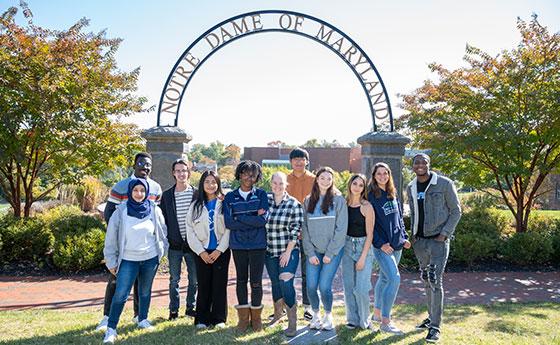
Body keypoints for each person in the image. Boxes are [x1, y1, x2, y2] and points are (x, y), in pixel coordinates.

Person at [96, 152, 162, 331]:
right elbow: (110, 213)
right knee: (116, 282)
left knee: (143, 284)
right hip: (123, 246)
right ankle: (107, 317)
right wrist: (118, 238)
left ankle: (139, 316)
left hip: (146, 248)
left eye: (148, 164)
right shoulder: (120, 186)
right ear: (134, 165)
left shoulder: (155, 188)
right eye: (141, 163)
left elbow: (157, 219)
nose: (145, 167)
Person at [102, 178, 168, 344]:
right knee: (121, 294)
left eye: (142, 191)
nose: (139, 194)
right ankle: (111, 329)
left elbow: (162, 232)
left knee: (145, 292)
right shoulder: (120, 212)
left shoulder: (154, 210)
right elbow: (110, 239)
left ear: (146, 193)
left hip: (150, 259)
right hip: (128, 260)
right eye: (135, 190)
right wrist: (111, 262)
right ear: (130, 192)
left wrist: (160, 254)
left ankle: (143, 319)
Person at [406, 154, 461, 343]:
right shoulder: (411, 186)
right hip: (420, 242)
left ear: (429, 165)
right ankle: (431, 317)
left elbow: (456, 211)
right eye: (417, 162)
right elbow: (414, 213)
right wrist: (413, 236)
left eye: (424, 162)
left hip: (438, 241)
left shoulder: (444, 184)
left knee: (435, 281)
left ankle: (435, 328)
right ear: (412, 166)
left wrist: (445, 233)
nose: (420, 165)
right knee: (426, 280)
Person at [223, 160, 269, 332]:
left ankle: (256, 319)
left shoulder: (262, 195)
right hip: (238, 245)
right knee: (241, 280)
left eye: (253, 174)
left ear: (257, 177)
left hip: (258, 245)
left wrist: (239, 217)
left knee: (256, 282)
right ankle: (243, 319)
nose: (249, 177)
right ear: (239, 174)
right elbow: (229, 223)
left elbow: (262, 221)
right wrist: (252, 218)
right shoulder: (230, 197)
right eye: (245, 173)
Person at [301, 166, 347, 331]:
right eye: (322, 178)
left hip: (332, 252)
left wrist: (330, 253)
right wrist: (310, 253)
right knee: (311, 286)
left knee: (325, 286)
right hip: (313, 252)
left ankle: (328, 315)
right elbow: (304, 228)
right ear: (317, 179)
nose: (326, 181)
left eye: (329, 178)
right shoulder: (308, 201)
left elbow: (341, 229)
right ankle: (315, 315)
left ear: (332, 180)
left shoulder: (339, 200)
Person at [368, 162, 411, 335]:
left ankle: (377, 315)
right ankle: (386, 322)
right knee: (394, 279)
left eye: (385, 173)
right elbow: (370, 225)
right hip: (382, 247)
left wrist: (404, 237)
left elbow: (399, 218)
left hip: (396, 244)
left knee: (385, 279)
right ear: (374, 176)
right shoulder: (371, 195)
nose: (383, 176)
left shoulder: (393, 193)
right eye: (379, 173)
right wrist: (380, 243)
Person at [186, 170, 231, 329]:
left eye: (214, 182)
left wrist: (219, 250)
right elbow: (189, 230)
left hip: (221, 252)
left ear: (218, 184)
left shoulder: (224, 203)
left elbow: (229, 229)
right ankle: (202, 319)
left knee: (219, 285)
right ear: (202, 184)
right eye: (207, 182)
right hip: (202, 253)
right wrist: (201, 252)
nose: (211, 185)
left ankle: (219, 319)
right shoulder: (195, 206)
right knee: (204, 285)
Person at [265, 172, 304, 337]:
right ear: (271, 184)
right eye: (275, 183)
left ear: (286, 184)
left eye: (281, 183)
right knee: (275, 283)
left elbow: (295, 231)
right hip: (269, 251)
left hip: (289, 250)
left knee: (286, 282)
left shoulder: (294, 204)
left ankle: (292, 321)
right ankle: (277, 315)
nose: (278, 186)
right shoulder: (265, 201)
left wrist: (288, 252)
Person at [160, 158, 198, 320]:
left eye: (184, 170)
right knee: (174, 279)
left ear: (188, 172)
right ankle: (173, 310)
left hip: (193, 245)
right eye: (178, 171)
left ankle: (190, 309)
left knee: (194, 279)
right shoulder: (167, 196)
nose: (181, 173)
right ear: (173, 173)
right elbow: (163, 221)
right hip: (174, 245)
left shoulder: (196, 194)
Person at [341, 174, 375, 330]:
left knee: (361, 288)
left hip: (363, 246)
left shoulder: (366, 206)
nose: (357, 187)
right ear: (350, 185)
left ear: (364, 188)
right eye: (355, 183)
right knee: (348, 286)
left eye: (361, 185)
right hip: (346, 246)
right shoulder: (343, 203)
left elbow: (370, 234)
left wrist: (362, 258)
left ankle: (365, 320)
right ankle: (352, 320)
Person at [286, 147, 315, 320]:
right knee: (285, 271)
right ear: (290, 162)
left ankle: (308, 306)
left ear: (306, 161)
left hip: (308, 233)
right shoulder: (284, 179)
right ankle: (284, 305)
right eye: (295, 159)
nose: (298, 162)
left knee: (307, 272)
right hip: (288, 233)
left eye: (301, 159)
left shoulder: (314, 179)